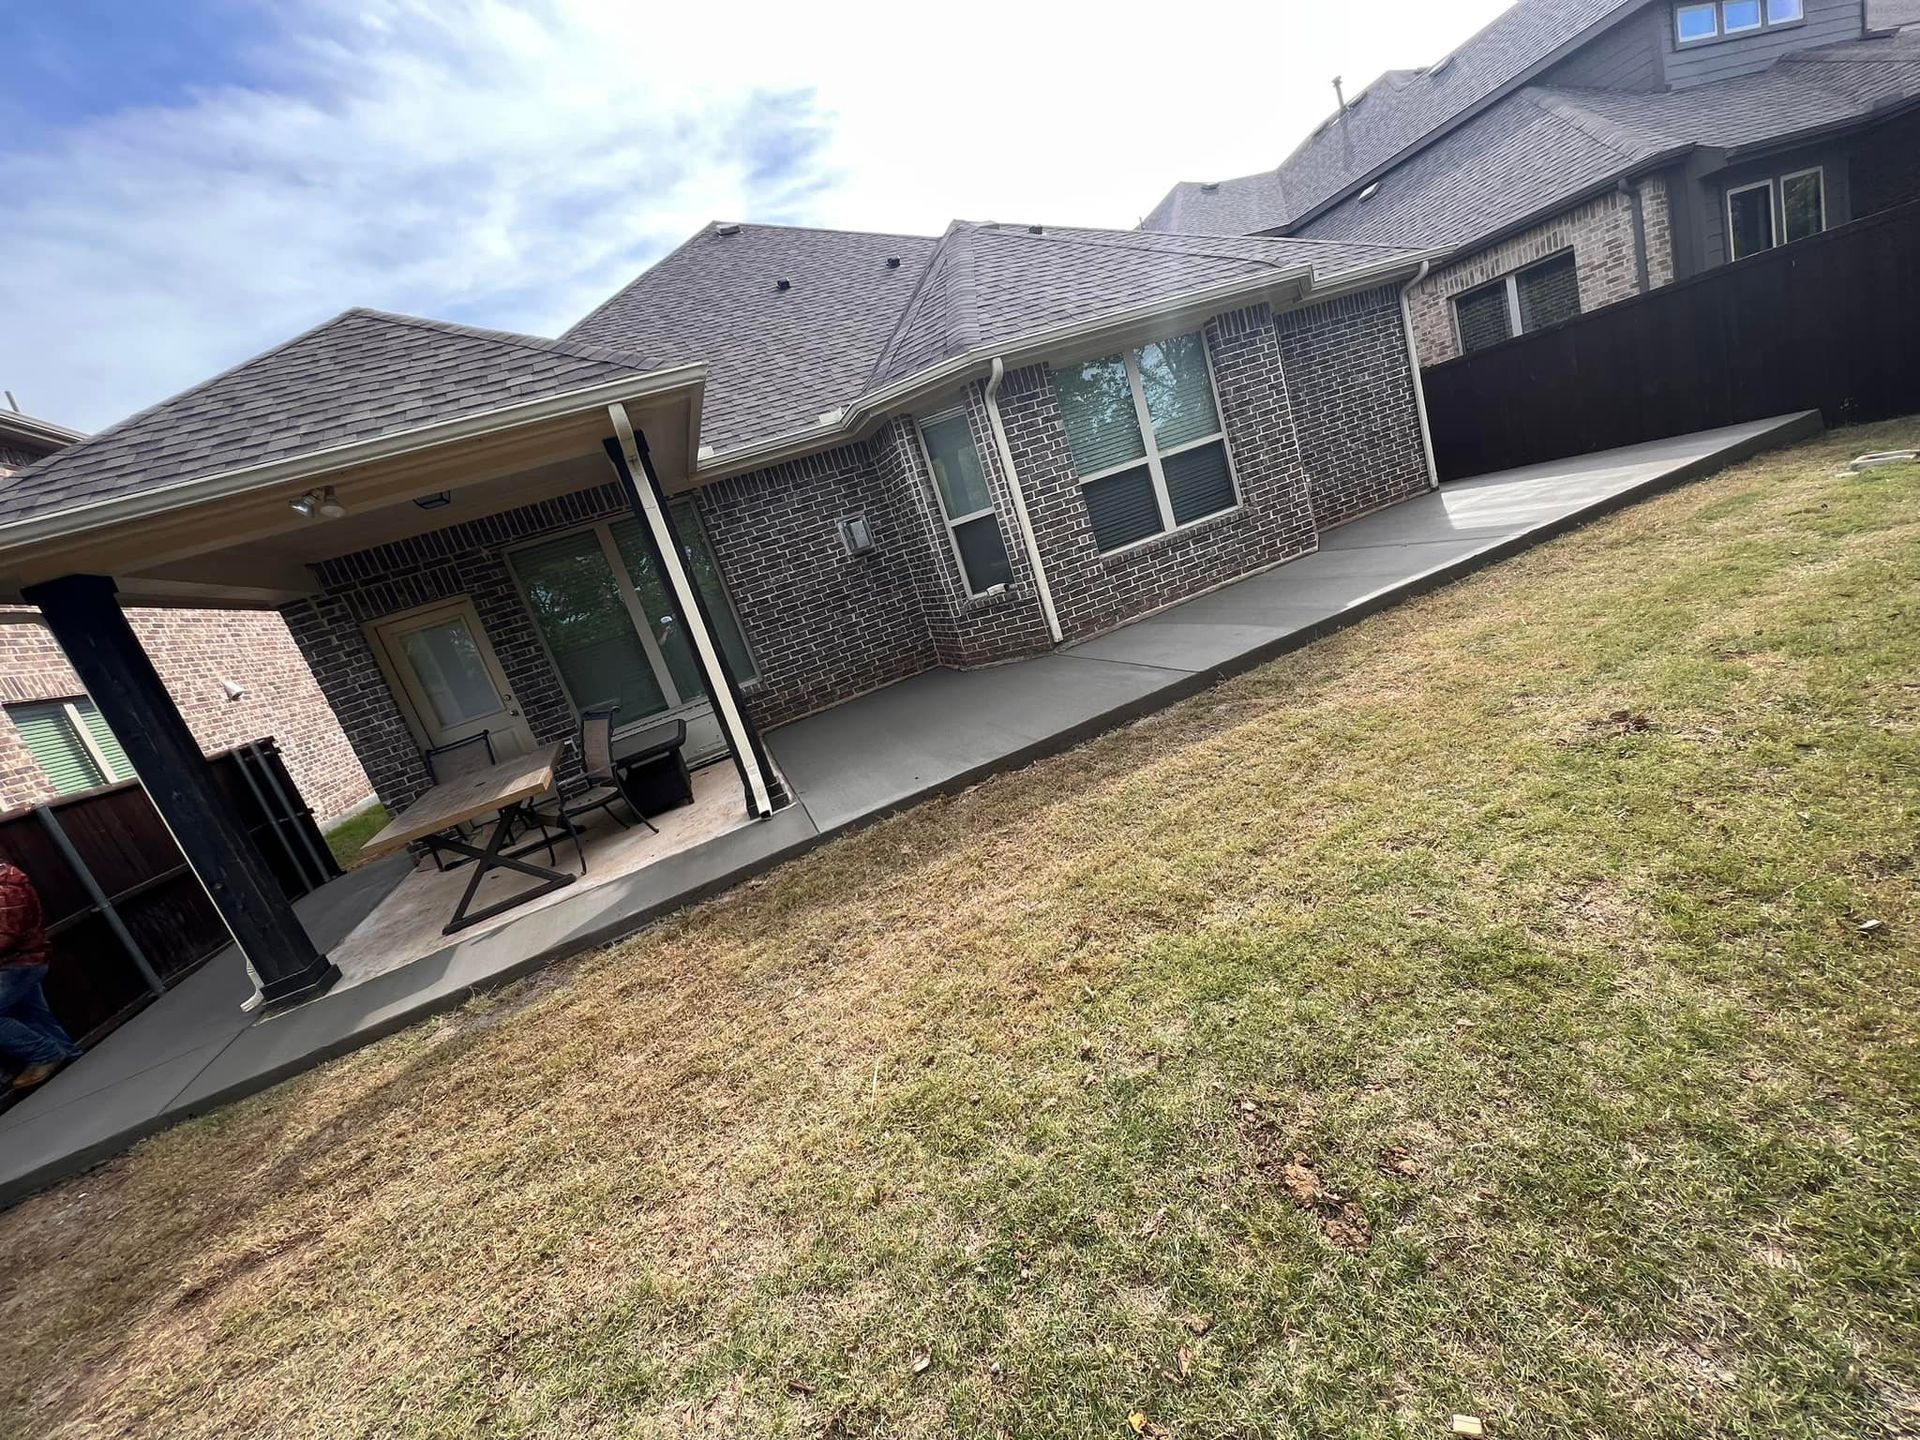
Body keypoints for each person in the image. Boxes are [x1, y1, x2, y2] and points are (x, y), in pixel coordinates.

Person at [0, 860, 81, 1091]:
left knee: (31, 1015)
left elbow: (6, 935)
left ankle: (45, 1054)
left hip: (17, 965)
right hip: (20, 962)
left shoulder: (5, 886)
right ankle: (71, 1059)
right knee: (33, 1015)